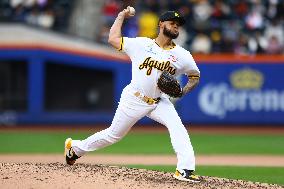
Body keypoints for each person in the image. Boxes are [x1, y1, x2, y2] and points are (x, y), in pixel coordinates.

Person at [64, 7, 202, 183]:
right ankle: (75, 148)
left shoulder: (183, 55)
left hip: (159, 102)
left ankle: (184, 170)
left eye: (178, 25)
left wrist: (182, 92)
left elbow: (194, 76)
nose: (176, 27)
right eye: (172, 23)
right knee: (113, 135)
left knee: (178, 127)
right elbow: (113, 39)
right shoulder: (142, 44)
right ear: (161, 24)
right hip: (134, 98)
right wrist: (121, 16)